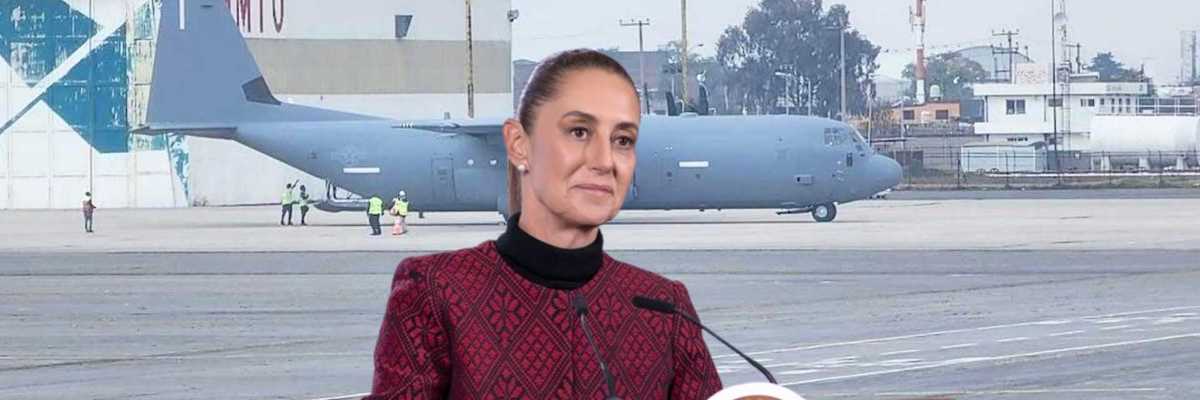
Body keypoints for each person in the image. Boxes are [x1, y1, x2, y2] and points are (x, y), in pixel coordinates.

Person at [366, 49, 721, 399]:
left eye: (622, 140)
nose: (604, 160)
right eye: (579, 132)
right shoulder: (436, 291)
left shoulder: (665, 307)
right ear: (519, 145)